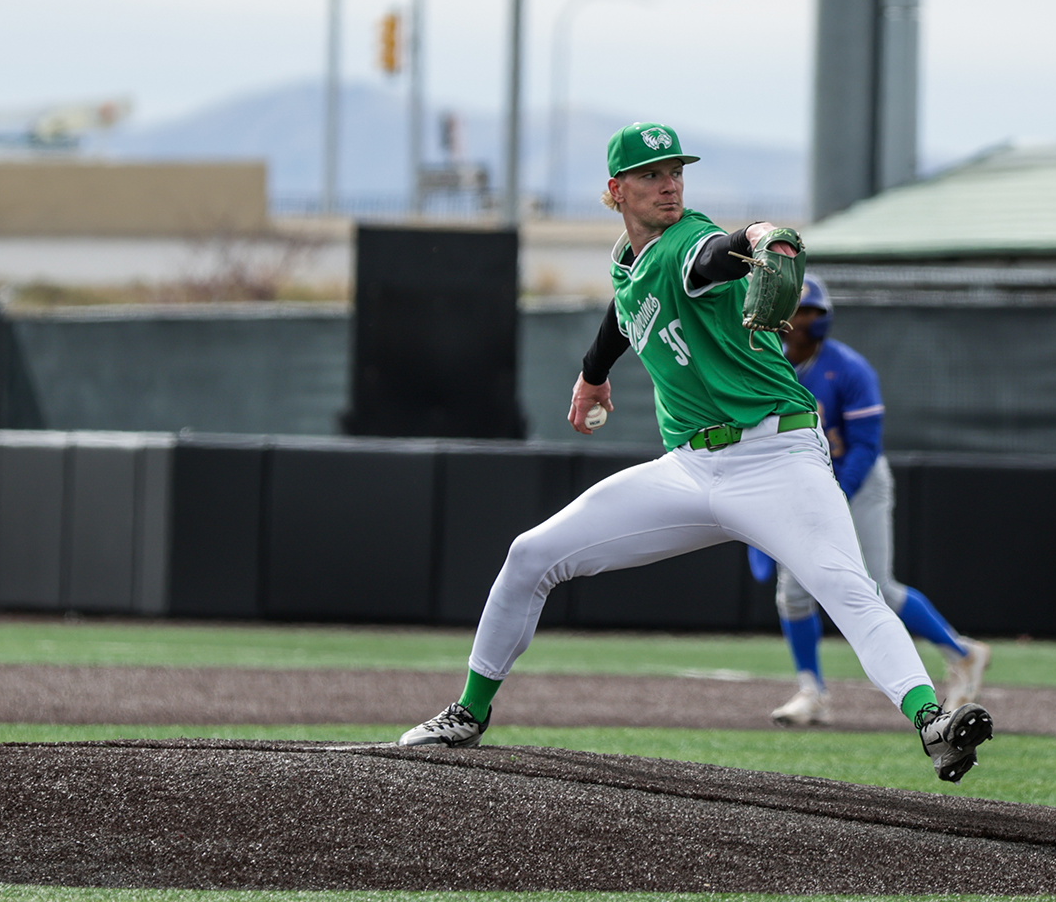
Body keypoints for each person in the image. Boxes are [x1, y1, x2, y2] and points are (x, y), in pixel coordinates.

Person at [398, 122, 996, 783]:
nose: (670, 184)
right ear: (615, 190)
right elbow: (624, 308)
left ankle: (932, 721)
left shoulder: (688, 243)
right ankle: (468, 714)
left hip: (777, 457)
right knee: (530, 555)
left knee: (847, 588)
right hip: (689, 469)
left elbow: (723, 251)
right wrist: (592, 375)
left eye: (676, 171)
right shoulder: (632, 259)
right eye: (652, 175)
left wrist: (763, 237)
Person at [750, 275, 991, 727]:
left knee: (877, 584)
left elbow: (864, 445)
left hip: (856, 482)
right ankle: (811, 692)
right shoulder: (764, 366)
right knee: (793, 594)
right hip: (800, 485)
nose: (804, 321)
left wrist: (834, 495)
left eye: (812, 312)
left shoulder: (849, 368)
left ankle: (962, 653)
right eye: (798, 312)